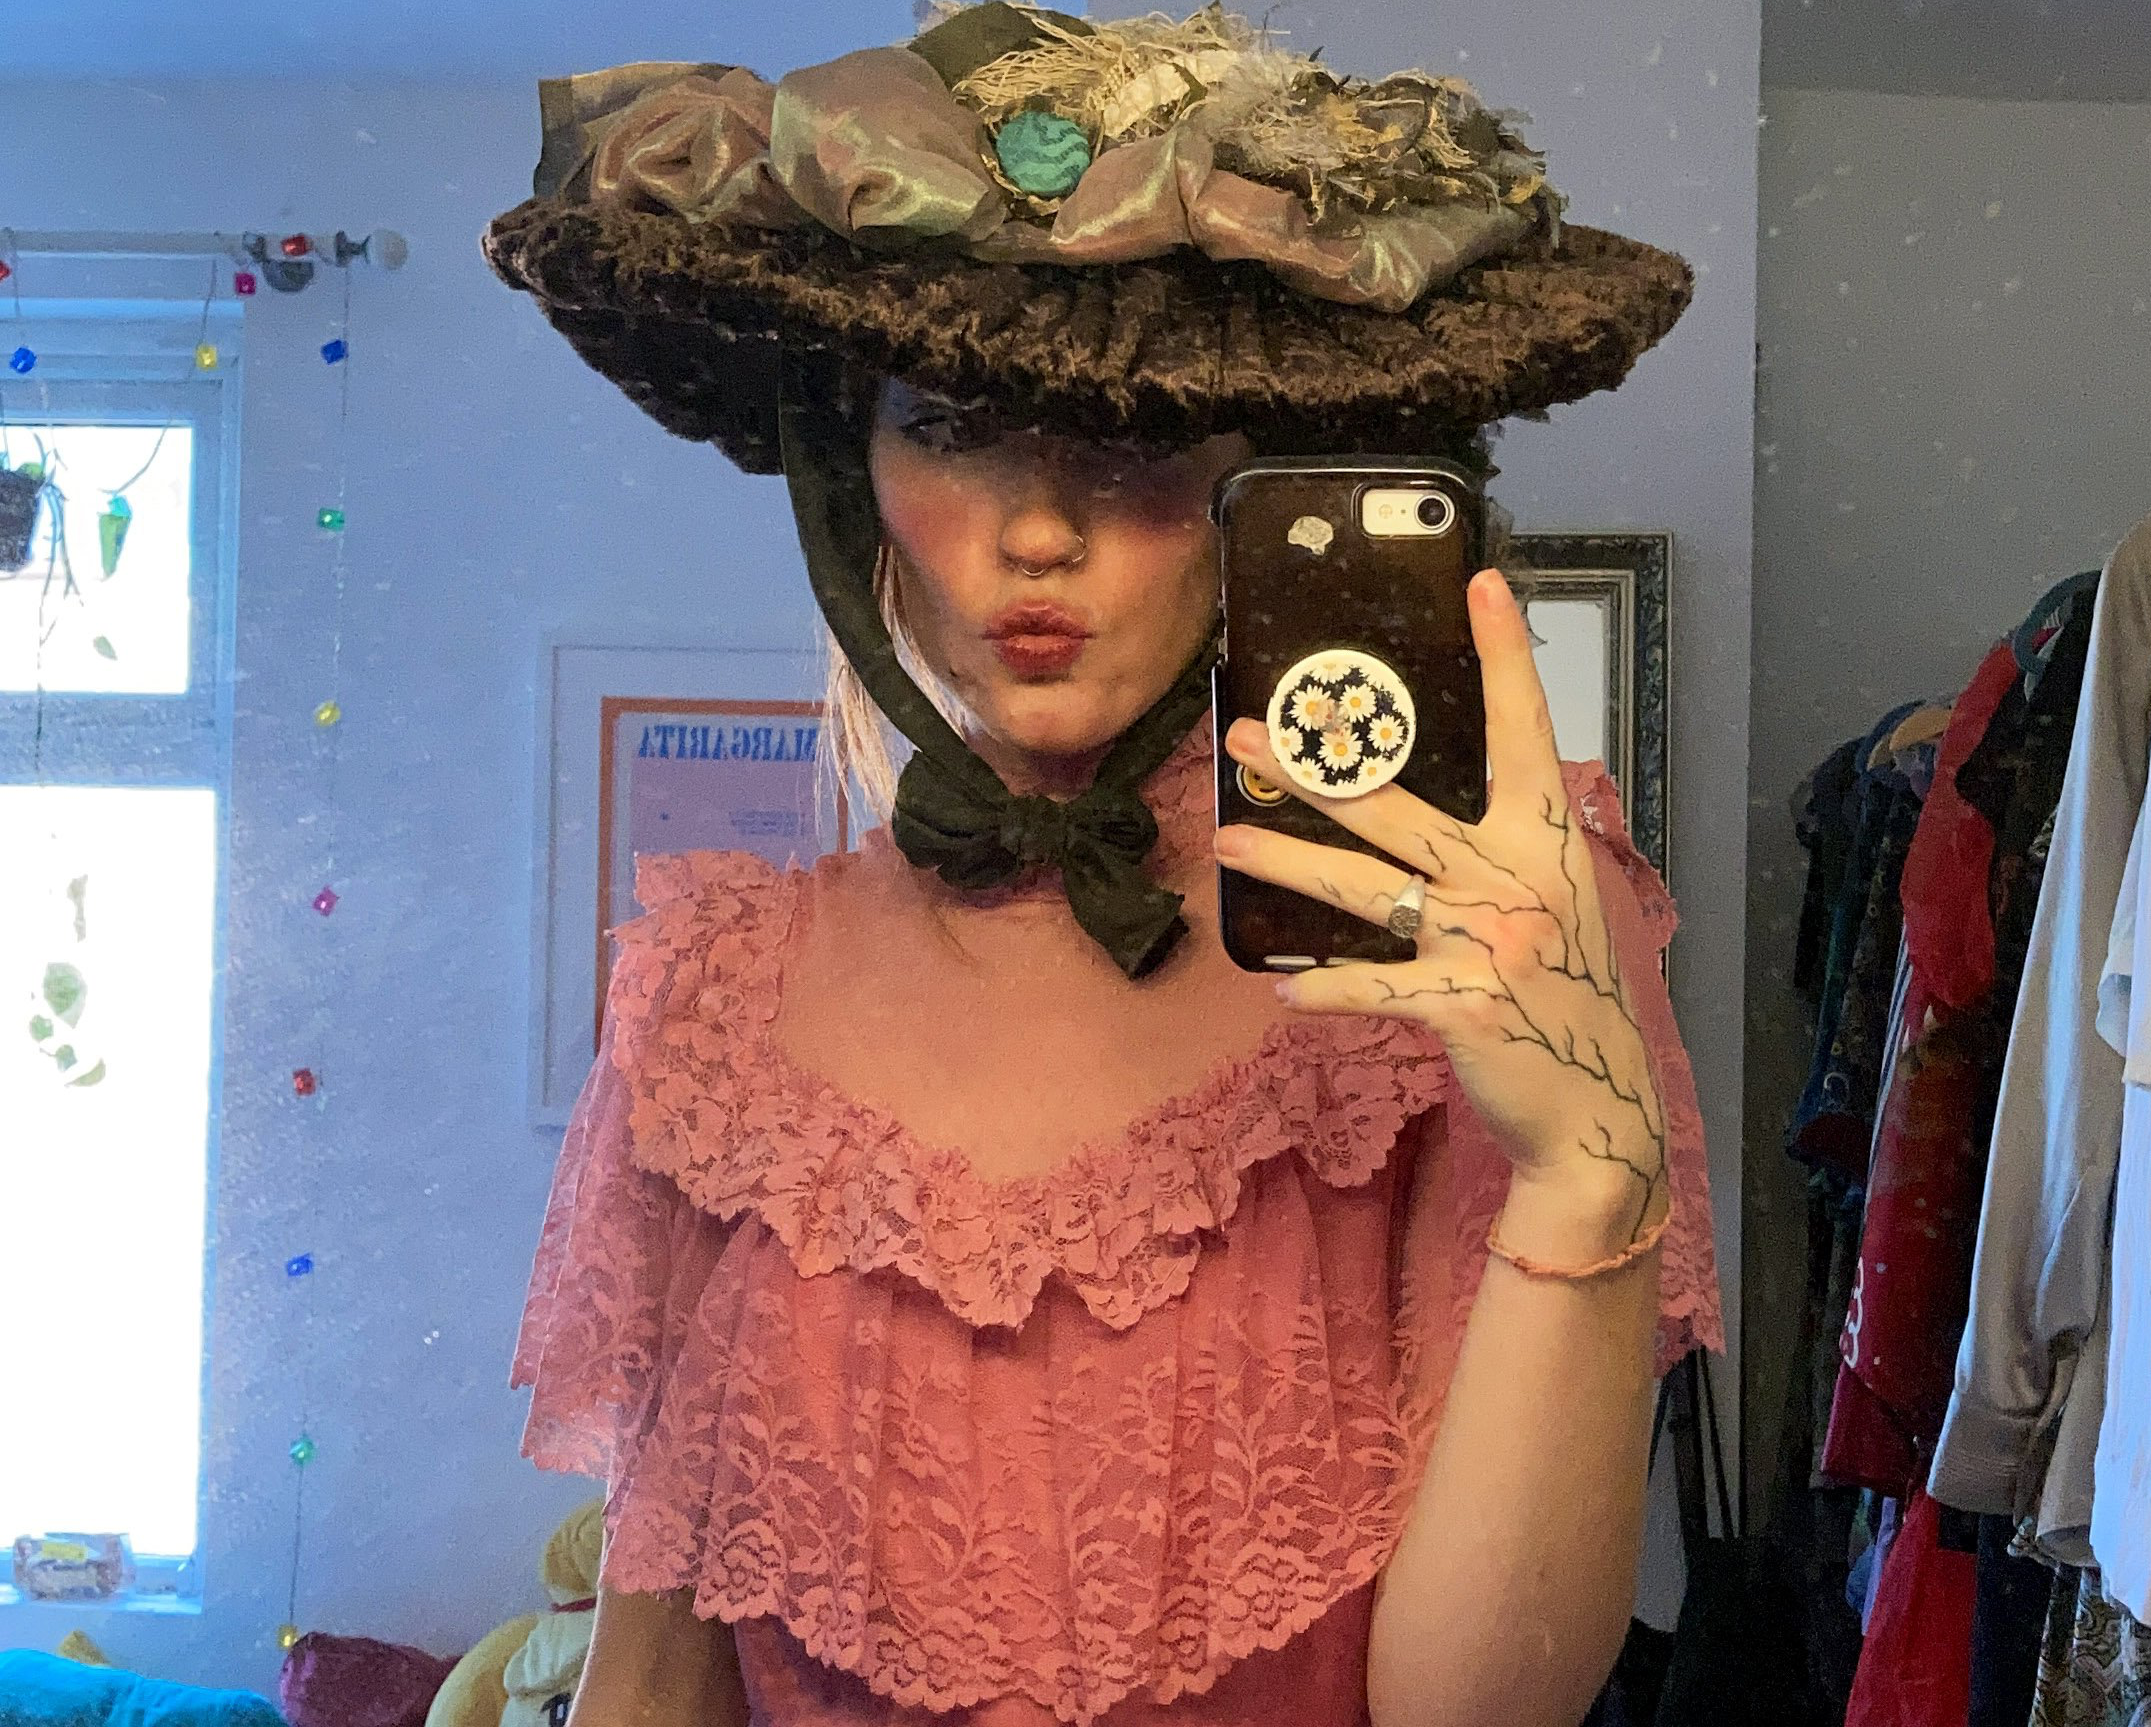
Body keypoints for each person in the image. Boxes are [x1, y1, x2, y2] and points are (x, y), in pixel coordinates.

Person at [483, 8, 1722, 1725]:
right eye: (955, 419)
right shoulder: (714, 999)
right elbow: (653, 1671)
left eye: (1132, 433)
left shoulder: (1467, 930)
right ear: (854, 477)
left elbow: (1480, 1707)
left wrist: (1594, 1181)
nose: (1039, 525)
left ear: (1261, 476)